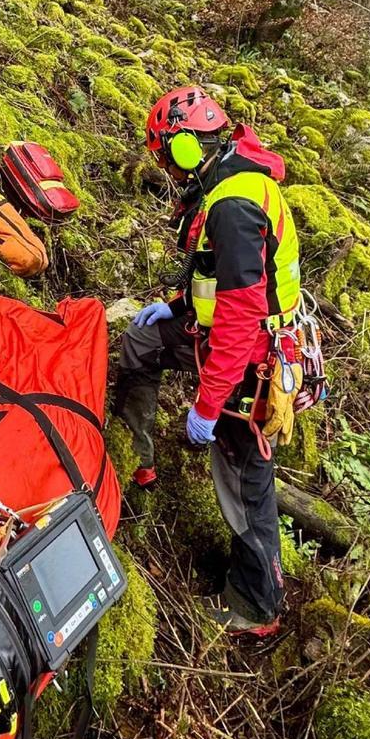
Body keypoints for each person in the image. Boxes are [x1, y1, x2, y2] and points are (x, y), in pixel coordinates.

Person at [114, 86, 301, 637]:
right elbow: (216, 280)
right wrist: (175, 307)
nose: (169, 173)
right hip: (212, 334)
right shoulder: (226, 184)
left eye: (168, 159)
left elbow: (242, 314)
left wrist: (208, 405)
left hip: (248, 359)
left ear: (188, 147)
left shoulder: (233, 205)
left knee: (242, 478)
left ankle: (256, 605)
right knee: (141, 343)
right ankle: (138, 456)